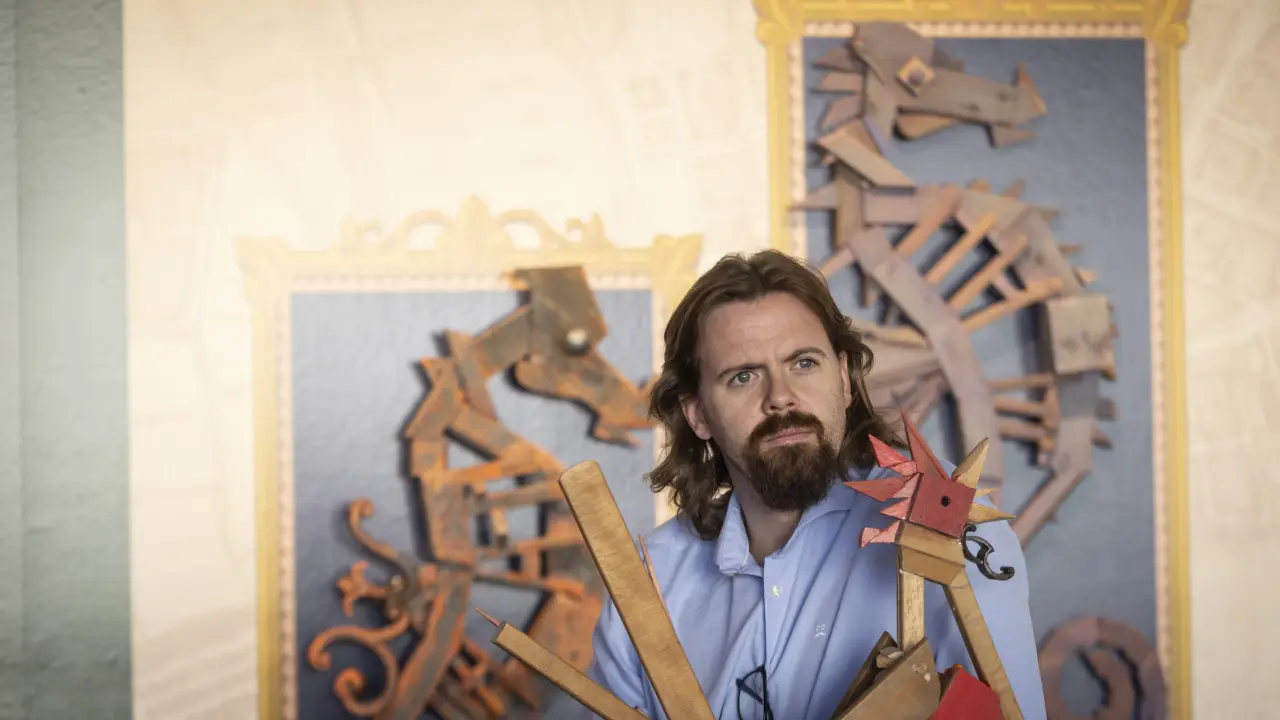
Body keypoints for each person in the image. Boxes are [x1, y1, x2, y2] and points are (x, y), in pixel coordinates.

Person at [583, 249, 1047, 719]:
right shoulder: (650, 584)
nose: (781, 397)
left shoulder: (944, 518)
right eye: (743, 377)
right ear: (698, 414)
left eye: (803, 363)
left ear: (843, 379)